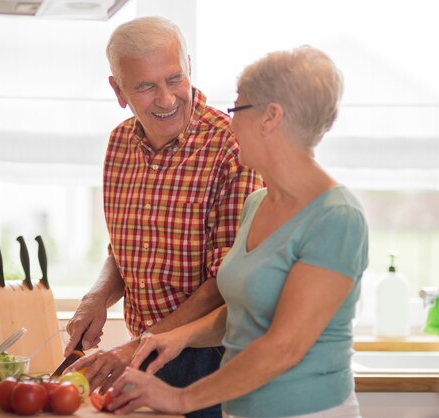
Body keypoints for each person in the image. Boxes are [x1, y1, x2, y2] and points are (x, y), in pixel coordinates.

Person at [108, 46, 368, 418]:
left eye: (237, 110)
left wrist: (180, 398)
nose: (229, 124)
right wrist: (174, 338)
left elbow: (285, 346)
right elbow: (248, 312)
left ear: (270, 117)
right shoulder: (258, 204)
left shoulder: (336, 217)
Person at [65, 16, 263, 418]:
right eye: (145, 86)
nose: (167, 98)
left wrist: (137, 348)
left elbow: (226, 279)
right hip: (146, 353)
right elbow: (125, 249)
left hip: (212, 358)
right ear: (118, 90)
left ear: (189, 66)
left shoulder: (232, 148)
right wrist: (98, 297)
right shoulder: (119, 144)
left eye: (174, 79)